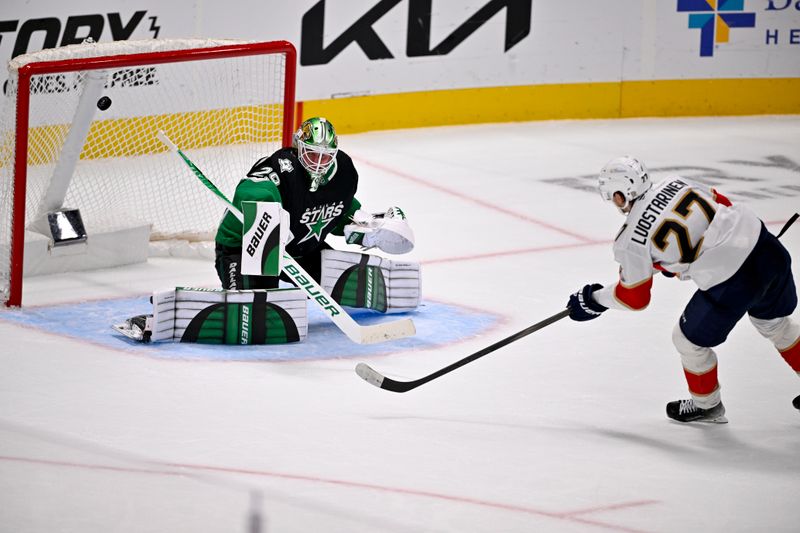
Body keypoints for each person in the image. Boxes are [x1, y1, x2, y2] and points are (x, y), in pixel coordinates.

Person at [566, 156, 800, 423]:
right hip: (767, 249)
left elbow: (634, 298)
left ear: (622, 193)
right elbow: (721, 203)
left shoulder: (629, 240)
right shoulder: (676, 182)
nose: (615, 203)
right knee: (775, 324)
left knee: (687, 341)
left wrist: (594, 300)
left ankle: (707, 405)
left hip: (733, 279)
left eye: (614, 197)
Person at [214, 116, 414, 290]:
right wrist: (269, 211)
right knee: (257, 310)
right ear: (298, 147)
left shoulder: (344, 172)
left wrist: (366, 227)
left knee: (350, 283)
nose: (318, 161)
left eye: (325, 155)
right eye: (311, 153)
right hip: (244, 249)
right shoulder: (282, 166)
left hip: (299, 252)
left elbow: (338, 210)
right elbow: (251, 189)